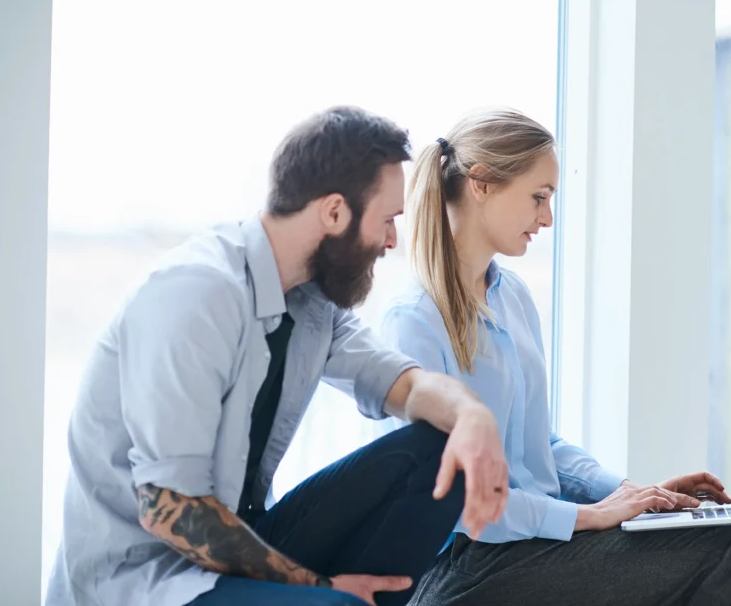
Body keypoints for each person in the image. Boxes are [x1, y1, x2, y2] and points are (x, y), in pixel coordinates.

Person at [45, 106, 511, 606]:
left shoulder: (311, 303)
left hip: (242, 540)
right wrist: (322, 587)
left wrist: (472, 415)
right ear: (334, 212)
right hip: (150, 575)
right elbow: (171, 509)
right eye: (387, 220)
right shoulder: (197, 294)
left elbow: (408, 385)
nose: (392, 241)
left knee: (439, 450)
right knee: (337, 604)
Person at [379, 108, 731, 605]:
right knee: (720, 553)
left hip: (534, 542)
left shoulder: (510, 297)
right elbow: (446, 501)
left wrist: (627, 493)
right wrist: (588, 516)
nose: (547, 217)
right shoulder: (414, 322)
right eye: (539, 197)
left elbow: (540, 447)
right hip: (462, 564)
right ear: (482, 185)